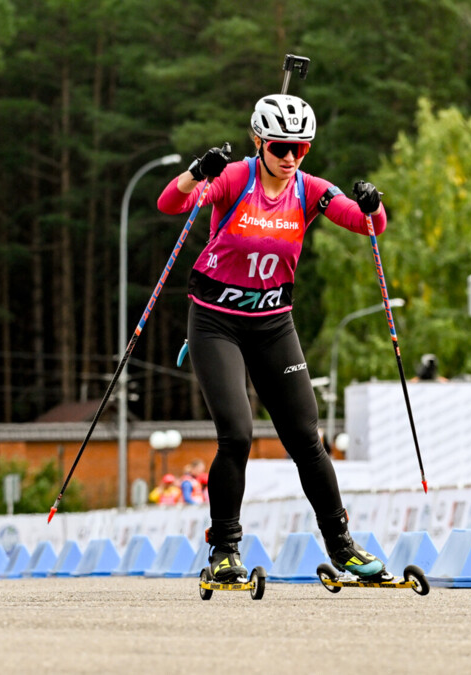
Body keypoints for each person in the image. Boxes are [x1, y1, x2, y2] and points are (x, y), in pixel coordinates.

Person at [157, 92, 389, 582]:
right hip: (216, 322)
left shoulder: (309, 189)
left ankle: (342, 545)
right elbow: (170, 203)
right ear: (259, 141)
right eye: (281, 146)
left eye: (300, 149)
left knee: (308, 439)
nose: (289, 158)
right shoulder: (236, 178)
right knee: (237, 436)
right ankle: (224, 549)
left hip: (273, 325)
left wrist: (373, 205)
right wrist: (198, 172)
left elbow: (367, 225)